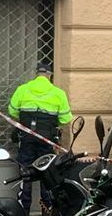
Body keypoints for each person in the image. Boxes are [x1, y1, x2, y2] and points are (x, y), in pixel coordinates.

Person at [4, 65, 72, 204]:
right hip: (48, 140)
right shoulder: (58, 93)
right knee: (47, 172)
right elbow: (65, 119)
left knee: (25, 171)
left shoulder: (22, 90)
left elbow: (12, 111)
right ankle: (47, 207)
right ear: (50, 75)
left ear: (36, 74)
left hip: (26, 138)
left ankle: (24, 206)